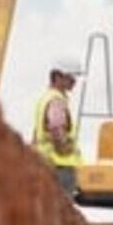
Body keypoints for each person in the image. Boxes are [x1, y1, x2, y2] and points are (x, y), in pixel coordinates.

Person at [32, 57, 84, 195]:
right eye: (70, 77)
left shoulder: (45, 98)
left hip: (45, 164)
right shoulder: (56, 100)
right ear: (57, 76)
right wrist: (63, 148)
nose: (74, 81)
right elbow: (56, 126)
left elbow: (36, 134)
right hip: (60, 166)